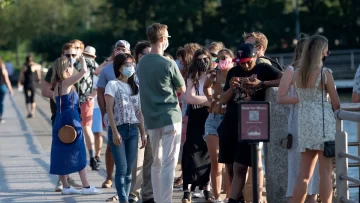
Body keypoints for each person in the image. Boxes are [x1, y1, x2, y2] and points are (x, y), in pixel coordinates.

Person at [219, 43, 282, 203]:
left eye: (248, 61)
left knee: (241, 166)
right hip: (231, 121)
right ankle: (235, 198)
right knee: (231, 166)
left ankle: (234, 200)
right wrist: (232, 88)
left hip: (251, 123)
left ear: (255, 57)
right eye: (241, 62)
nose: (245, 65)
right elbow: (223, 100)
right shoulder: (233, 71)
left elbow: (285, 79)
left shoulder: (264, 69)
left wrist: (261, 84)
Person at [137, 23, 186, 203]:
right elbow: (182, 87)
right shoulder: (168, 62)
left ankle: (158, 200)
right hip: (170, 115)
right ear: (163, 39)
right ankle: (166, 200)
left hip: (151, 118)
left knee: (156, 163)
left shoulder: (141, 63)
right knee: (168, 163)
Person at [289, 35, 340, 203]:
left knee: (304, 174)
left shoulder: (297, 73)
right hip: (323, 126)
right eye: (326, 48)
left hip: (304, 124)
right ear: (321, 51)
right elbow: (336, 103)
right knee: (325, 173)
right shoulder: (325, 74)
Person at [50, 56, 102, 195]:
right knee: (79, 152)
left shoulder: (56, 85)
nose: (73, 68)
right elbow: (84, 72)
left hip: (60, 121)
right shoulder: (66, 83)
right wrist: (82, 59)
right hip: (71, 120)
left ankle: (66, 187)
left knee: (60, 153)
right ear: (66, 68)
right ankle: (86, 187)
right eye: (71, 66)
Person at [278, 37, 320, 203]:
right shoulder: (291, 70)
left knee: (314, 172)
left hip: (315, 123)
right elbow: (280, 97)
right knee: (297, 167)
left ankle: (312, 199)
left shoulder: (319, 70)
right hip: (298, 122)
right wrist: (300, 99)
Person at [105, 53, 146, 203]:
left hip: (133, 130)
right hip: (119, 129)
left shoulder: (135, 86)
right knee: (121, 168)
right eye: (127, 65)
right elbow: (109, 110)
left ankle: (126, 196)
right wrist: (114, 132)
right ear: (119, 67)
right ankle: (123, 199)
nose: (131, 67)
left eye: (132, 64)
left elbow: (139, 112)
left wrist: (143, 133)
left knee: (129, 170)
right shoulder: (112, 85)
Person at [41, 43, 82, 192]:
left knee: (73, 148)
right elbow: (44, 90)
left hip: (75, 115)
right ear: (62, 54)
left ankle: (68, 180)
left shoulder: (75, 69)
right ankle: (61, 181)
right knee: (61, 147)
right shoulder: (55, 69)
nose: (70, 58)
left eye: (73, 55)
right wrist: (58, 95)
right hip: (59, 114)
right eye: (67, 55)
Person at [97, 40, 131, 202]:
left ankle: (127, 183)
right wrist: (104, 111)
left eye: (123, 49)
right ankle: (109, 176)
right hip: (112, 115)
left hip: (130, 116)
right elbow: (100, 92)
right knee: (111, 145)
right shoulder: (107, 70)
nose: (120, 51)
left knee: (129, 153)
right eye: (117, 48)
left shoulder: (132, 68)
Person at [203, 48, 235, 202]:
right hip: (213, 118)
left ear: (232, 58)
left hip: (228, 118)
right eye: (220, 58)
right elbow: (205, 87)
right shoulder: (212, 73)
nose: (222, 61)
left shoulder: (235, 73)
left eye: (225, 58)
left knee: (228, 160)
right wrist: (211, 100)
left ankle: (229, 196)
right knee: (215, 160)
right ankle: (217, 198)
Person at [181, 48, 212, 203]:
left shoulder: (214, 76)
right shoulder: (192, 77)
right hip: (196, 117)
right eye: (199, 59)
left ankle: (207, 189)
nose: (203, 62)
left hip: (210, 116)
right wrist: (208, 100)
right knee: (191, 153)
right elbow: (189, 98)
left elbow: (195, 97)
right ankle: (187, 190)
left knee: (207, 153)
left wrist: (204, 100)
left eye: (205, 59)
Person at [129, 40, 154, 203]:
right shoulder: (132, 74)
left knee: (151, 159)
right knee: (137, 158)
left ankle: (148, 194)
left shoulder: (154, 73)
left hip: (153, 119)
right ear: (140, 56)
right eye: (149, 55)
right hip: (137, 120)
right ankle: (133, 193)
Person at [83, 46, 103, 164]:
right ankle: (89, 155)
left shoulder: (98, 69)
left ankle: (98, 156)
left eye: (90, 56)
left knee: (97, 133)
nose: (88, 58)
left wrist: (91, 95)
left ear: (94, 57)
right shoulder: (80, 68)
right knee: (85, 131)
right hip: (84, 105)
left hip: (96, 106)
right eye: (86, 55)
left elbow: (99, 87)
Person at [0, 56, 13, 123]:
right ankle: (0, 116)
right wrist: (10, 89)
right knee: (1, 103)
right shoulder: (3, 69)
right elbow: (7, 80)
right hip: (2, 87)